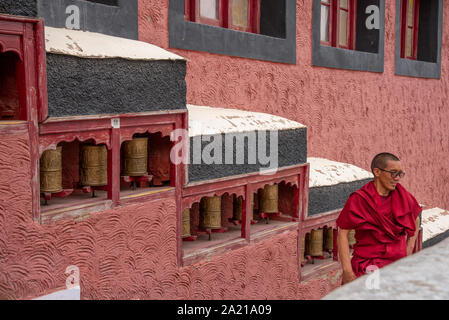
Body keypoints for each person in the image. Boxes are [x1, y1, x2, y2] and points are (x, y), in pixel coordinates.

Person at [337, 153, 421, 285]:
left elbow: (415, 218)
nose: (397, 178)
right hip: (368, 265)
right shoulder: (360, 199)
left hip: (396, 265)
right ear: (377, 172)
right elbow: (343, 232)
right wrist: (347, 270)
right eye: (393, 173)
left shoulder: (402, 195)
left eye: (400, 174)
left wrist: (408, 250)